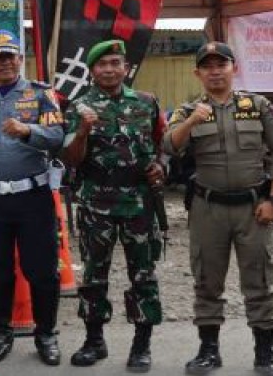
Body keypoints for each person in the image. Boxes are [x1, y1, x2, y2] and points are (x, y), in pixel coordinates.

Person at [164, 42, 273, 376]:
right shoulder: (188, 109)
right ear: (198, 73)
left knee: (260, 280)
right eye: (207, 66)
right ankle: (209, 352)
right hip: (208, 209)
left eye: (221, 64)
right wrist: (192, 121)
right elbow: (168, 146)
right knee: (206, 280)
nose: (215, 71)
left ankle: (265, 354)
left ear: (233, 68)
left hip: (254, 209)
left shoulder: (258, 105)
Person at [61, 39, 167, 372]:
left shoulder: (147, 103)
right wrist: (82, 132)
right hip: (97, 205)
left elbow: (162, 144)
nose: (109, 69)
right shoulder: (78, 106)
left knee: (144, 276)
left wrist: (161, 165)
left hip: (139, 206)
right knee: (93, 277)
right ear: (92, 70)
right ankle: (94, 342)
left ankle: (141, 346)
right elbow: (70, 158)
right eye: (102, 64)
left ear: (125, 68)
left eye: (114, 62)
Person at [0, 29, 65, 366]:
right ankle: (0, 333)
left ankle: (46, 334)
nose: (5, 62)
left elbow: (57, 136)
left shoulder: (41, 95)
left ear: (20, 60)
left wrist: (28, 131)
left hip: (32, 197)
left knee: (42, 271)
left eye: (11, 56)